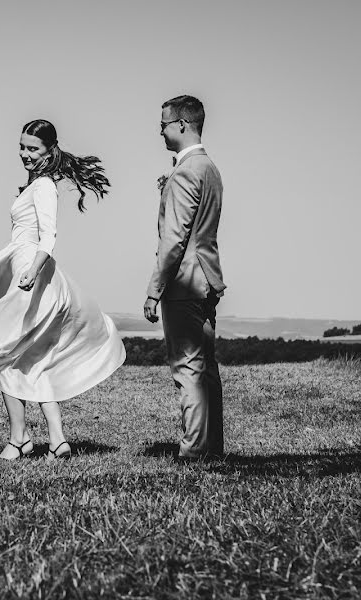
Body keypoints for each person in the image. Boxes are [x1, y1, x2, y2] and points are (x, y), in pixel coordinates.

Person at [0, 119, 126, 461]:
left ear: (50, 149)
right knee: (31, 358)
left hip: (32, 279)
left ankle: (19, 439)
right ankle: (56, 439)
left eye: (33, 148)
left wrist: (32, 271)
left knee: (2, 354)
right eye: (22, 147)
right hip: (26, 274)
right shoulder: (35, 185)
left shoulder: (45, 187)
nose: (25, 154)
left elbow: (49, 236)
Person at [143, 95, 226, 459]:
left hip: (184, 283)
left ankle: (193, 451)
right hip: (208, 278)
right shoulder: (210, 168)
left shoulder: (185, 173)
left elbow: (174, 240)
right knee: (207, 367)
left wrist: (153, 290)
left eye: (163, 124)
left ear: (181, 125)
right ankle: (213, 446)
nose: (159, 130)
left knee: (188, 367)